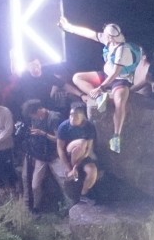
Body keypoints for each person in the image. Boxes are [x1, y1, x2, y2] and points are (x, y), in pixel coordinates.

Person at [59, 17, 142, 155]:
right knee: (77, 78)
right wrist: (69, 27)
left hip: (120, 79)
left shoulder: (123, 50)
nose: (104, 37)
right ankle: (100, 97)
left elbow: (115, 74)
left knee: (120, 102)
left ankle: (116, 136)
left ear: (112, 36)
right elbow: (90, 34)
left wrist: (101, 87)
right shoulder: (108, 40)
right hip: (106, 74)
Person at [20, 100, 60, 212]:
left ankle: (70, 206)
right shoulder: (35, 118)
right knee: (35, 185)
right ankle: (36, 207)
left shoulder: (54, 118)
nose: (33, 118)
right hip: (40, 154)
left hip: (55, 154)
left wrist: (43, 133)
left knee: (64, 180)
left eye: (33, 115)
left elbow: (59, 139)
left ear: (38, 111)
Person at [56, 102, 99, 202]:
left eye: (75, 117)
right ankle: (73, 171)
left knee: (92, 171)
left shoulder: (89, 126)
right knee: (81, 142)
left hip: (83, 154)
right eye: (71, 115)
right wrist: (68, 167)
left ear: (82, 117)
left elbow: (89, 149)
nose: (72, 118)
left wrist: (76, 166)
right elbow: (59, 148)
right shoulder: (64, 126)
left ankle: (83, 194)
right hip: (69, 151)